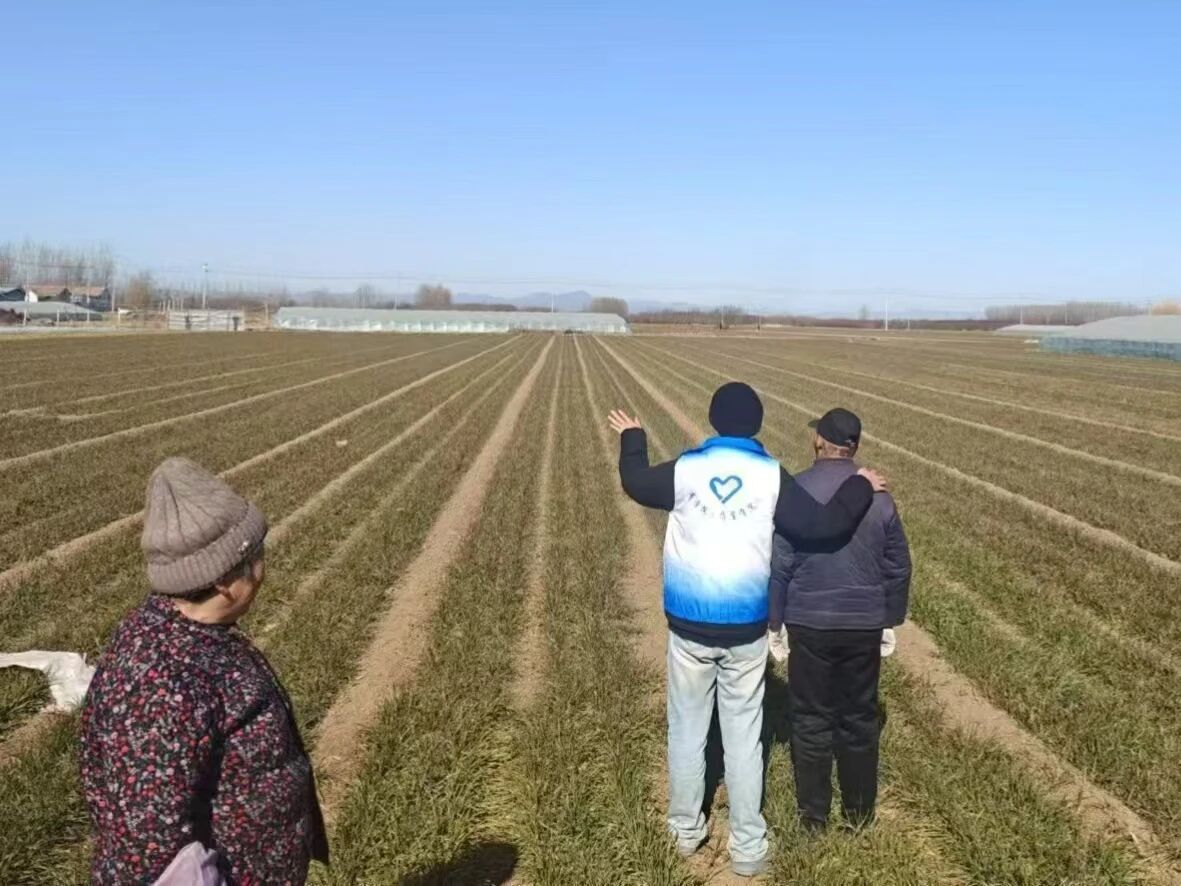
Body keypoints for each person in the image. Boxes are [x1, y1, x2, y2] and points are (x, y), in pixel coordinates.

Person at [608, 383, 886, 877]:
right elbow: (823, 527)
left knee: (687, 729)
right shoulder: (770, 475)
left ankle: (685, 831)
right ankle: (749, 847)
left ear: (714, 420)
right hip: (746, 630)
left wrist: (633, 438)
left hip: (689, 627)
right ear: (757, 425)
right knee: (743, 736)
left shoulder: (688, 469)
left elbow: (635, 483)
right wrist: (860, 485)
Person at [80, 457, 329, 884]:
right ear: (222, 581)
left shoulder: (195, 635)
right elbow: (147, 843)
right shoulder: (160, 684)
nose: (264, 568)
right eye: (256, 556)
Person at [768, 408, 911, 833]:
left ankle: (813, 818)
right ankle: (859, 815)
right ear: (855, 447)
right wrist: (889, 618)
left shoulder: (795, 491)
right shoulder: (879, 496)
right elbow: (898, 565)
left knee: (811, 718)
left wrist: (775, 622)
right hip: (863, 624)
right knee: (859, 718)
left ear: (818, 442)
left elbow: (780, 564)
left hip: (808, 622)